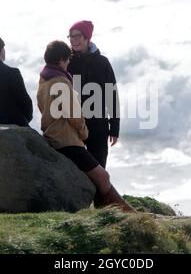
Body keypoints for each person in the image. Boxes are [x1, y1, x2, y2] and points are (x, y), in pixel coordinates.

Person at [37, 40, 134, 212]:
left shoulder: (44, 78)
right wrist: (84, 132)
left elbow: (40, 106)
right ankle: (126, 214)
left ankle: (116, 211)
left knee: (97, 177)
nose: (68, 64)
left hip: (52, 136)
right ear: (61, 59)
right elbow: (74, 114)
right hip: (67, 141)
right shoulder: (60, 81)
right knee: (103, 177)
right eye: (67, 60)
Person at [67, 20, 119, 169]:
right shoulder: (67, 62)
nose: (73, 40)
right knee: (75, 170)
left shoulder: (102, 62)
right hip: (73, 125)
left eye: (77, 36)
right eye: (70, 36)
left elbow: (112, 95)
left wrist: (114, 128)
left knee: (99, 169)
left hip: (98, 126)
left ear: (87, 38)